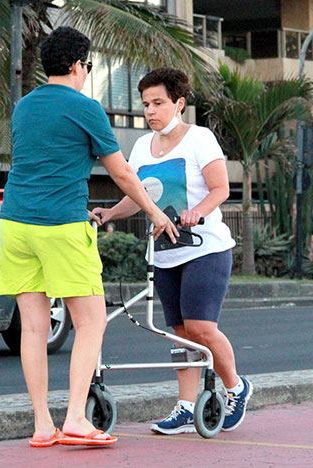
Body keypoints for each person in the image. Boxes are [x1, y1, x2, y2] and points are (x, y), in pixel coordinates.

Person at [0, 27, 177, 448]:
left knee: (35, 328)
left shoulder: (23, 107)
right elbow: (122, 172)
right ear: (78, 65)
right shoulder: (85, 107)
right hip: (60, 223)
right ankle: (76, 418)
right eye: (89, 67)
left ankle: (43, 425)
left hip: (16, 223)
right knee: (91, 319)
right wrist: (153, 211)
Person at [92, 67, 252, 435]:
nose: (150, 111)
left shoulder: (200, 139)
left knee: (199, 327)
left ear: (179, 103)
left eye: (158, 103)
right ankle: (184, 406)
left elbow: (221, 189)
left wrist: (198, 211)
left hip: (204, 249)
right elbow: (138, 195)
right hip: (164, 252)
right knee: (178, 332)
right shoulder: (140, 147)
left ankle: (236, 388)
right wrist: (110, 213)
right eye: (146, 104)